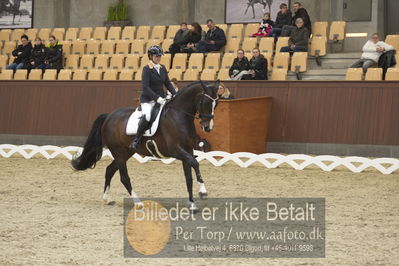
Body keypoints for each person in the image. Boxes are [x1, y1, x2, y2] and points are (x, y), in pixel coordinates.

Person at [130, 45, 177, 150]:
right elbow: (146, 87)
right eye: (156, 56)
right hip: (148, 99)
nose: (158, 58)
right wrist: (157, 98)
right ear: (151, 56)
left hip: (161, 98)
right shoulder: (147, 69)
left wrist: (175, 94)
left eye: (160, 56)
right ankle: (136, 140)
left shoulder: (162, 68)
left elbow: (168, 83)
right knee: (147, 116)